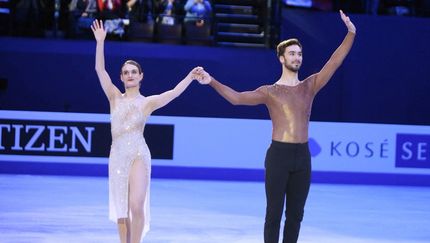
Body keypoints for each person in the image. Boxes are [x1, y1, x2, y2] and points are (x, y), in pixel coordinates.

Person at [198, 10, 356, 243]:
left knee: (296, 216)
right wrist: (211, 81)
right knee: (273, 214)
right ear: (281, 58)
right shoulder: (269, 91)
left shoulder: (309, 86)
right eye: (292, 54)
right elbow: (237, 98)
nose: (297, 58)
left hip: (302, 156)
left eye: (299, 54)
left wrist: (351, 32)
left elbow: (334, 62)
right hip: (278, 156)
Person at [91, 19, 204, 243]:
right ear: (121, 77)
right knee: (122, 210)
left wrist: (190, 78)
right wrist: (100, 42)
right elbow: (100, 69)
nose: (130, 75)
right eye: (126, 72)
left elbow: (172, 93)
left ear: (141, 76)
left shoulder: (147, 102)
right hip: (117, 156)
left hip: (139, 154)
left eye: (134, 71)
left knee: (136, 204)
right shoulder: (114, 97)